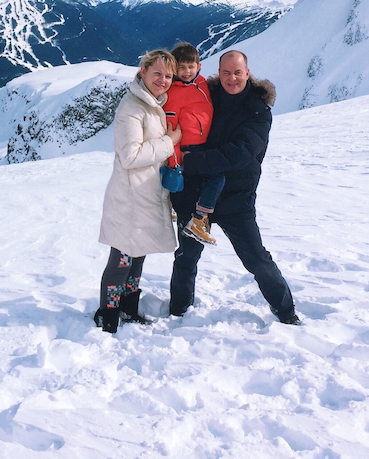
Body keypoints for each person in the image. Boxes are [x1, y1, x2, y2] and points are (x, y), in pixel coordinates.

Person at [169, 50, 300, 325]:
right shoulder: (206, 94)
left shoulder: (258, 110)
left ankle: (287, 312)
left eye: (237, 72)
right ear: (218, 73)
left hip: (235, 200)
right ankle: (178, 311)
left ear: (247, 73)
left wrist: (192, 162)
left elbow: (240, 153)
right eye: (226, 73)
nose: (232, 78)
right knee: (186, 258)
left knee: (257, 260)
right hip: (195, 196)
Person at [95, 49, 183, 334]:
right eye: (157, 73)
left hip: (145, 196)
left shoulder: (152, 105)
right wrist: (170, 141)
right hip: (129, 198)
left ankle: (128, 308)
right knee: (122, 259)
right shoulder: (132, 107)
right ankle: (108, 314)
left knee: (138, 254)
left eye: (168, 75)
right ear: (142, 71)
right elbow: (130, 156)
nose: (163, 80)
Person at [164, 42, 224, 246]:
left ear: (199, 66)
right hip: (190, 149)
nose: (187, 71)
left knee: (211, 179)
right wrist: (174, 162)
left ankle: (178, 205)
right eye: (181, 67)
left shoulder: (202, 84)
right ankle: (199, 219)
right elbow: (170, 129)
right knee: (216, 177)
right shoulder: (173, 93)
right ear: (174, 69)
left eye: (191, 66)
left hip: (204, 144)